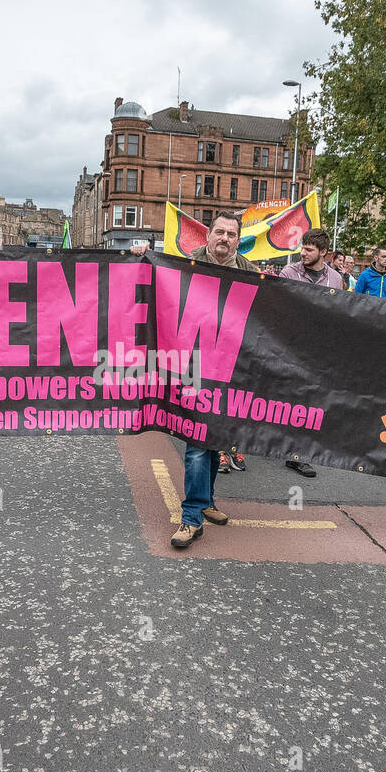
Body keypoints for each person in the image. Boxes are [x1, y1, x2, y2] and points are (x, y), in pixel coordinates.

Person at [131, 212, 256, 548]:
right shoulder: (186, 265)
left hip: (228, 368)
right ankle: (192, 518)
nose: (225, 239)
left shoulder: (250, 272)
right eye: (219, 232)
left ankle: (207, 500)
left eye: (231, 234)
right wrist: (143, 255)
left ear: (237, 239)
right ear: (208, 235)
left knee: (214, 440)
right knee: (197, 441)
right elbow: (157, 277)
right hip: (195, 366)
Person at [279, 228, 341, 479]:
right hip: (290, 345)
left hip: (320, 349)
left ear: (323, 252)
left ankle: (298, 454)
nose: (302, 253)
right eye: (302, 248)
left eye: (309, 249)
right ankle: (278, 442)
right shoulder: (289, 272)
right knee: (289, 397)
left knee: (311, 399)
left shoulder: (336, 279)